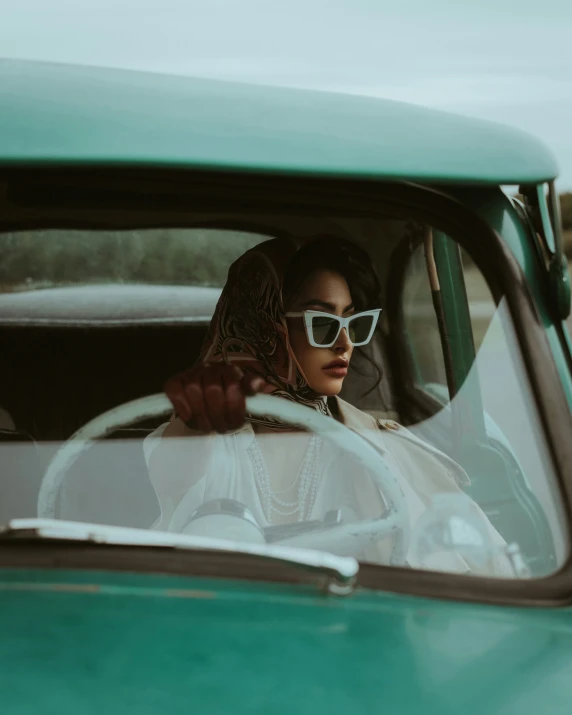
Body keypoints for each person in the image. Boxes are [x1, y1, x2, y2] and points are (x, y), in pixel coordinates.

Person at [145, 236, 511, 576]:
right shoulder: (212, 436)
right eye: (321, 322)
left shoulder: (373, 444)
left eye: (353, 322)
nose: (344, 342)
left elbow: (477, 561)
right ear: (264, 326)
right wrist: (198, 418)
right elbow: (174, 467)